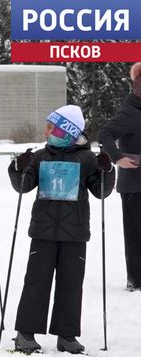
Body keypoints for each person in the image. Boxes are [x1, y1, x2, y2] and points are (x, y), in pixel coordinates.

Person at [10, 105, 115, 354]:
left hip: (74, 233)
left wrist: (107, 170)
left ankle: (66, 335)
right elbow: (23, 186)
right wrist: (18, 167)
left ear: (67, 131)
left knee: (71, 284)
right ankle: (25, 333)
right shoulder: (40, 156)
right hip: (43, 231)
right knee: (36, 282)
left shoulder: (87, 159)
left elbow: (100, 192)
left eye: (51, 127)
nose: (46, 131)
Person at [98, 62, 141, 292]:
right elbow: (105, 134)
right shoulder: (130, 112)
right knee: (135, 234)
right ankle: (136, 279)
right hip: (134, 184)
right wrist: (117, 158)